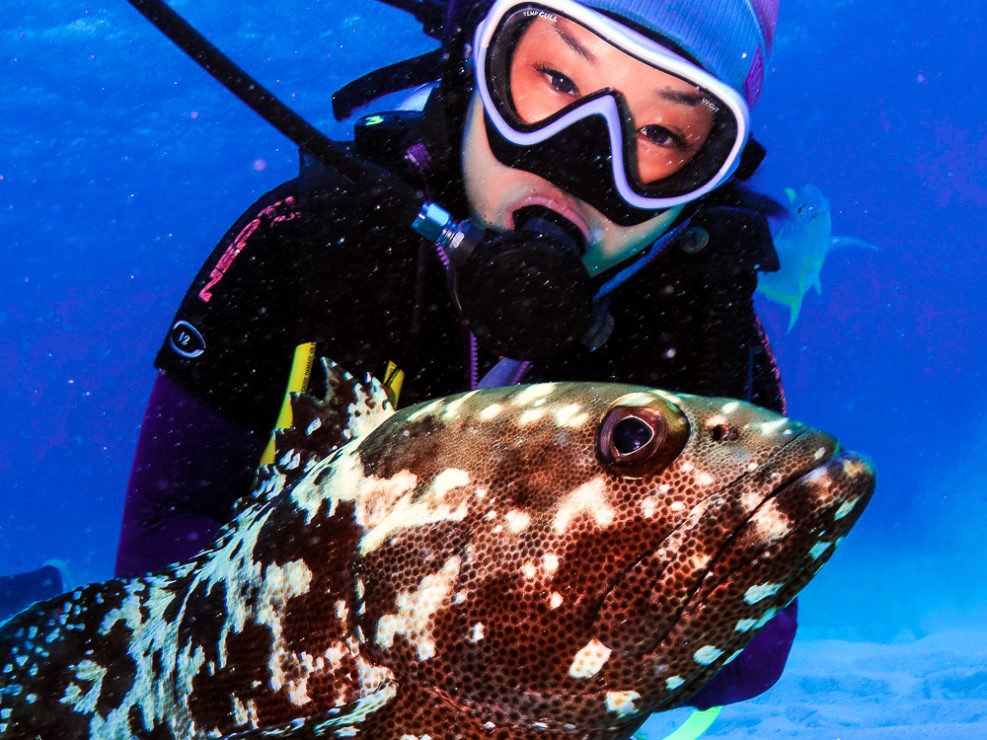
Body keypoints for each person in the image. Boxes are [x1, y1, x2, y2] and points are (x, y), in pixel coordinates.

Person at [111, 0, 795, 711]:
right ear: (475, 62)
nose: (581, 158)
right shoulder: (303, 238)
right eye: (556, 81)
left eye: (658, 132)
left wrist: (547, 635)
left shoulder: (694, 316)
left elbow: (763, 630)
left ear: (709, 173)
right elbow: (158, 536)